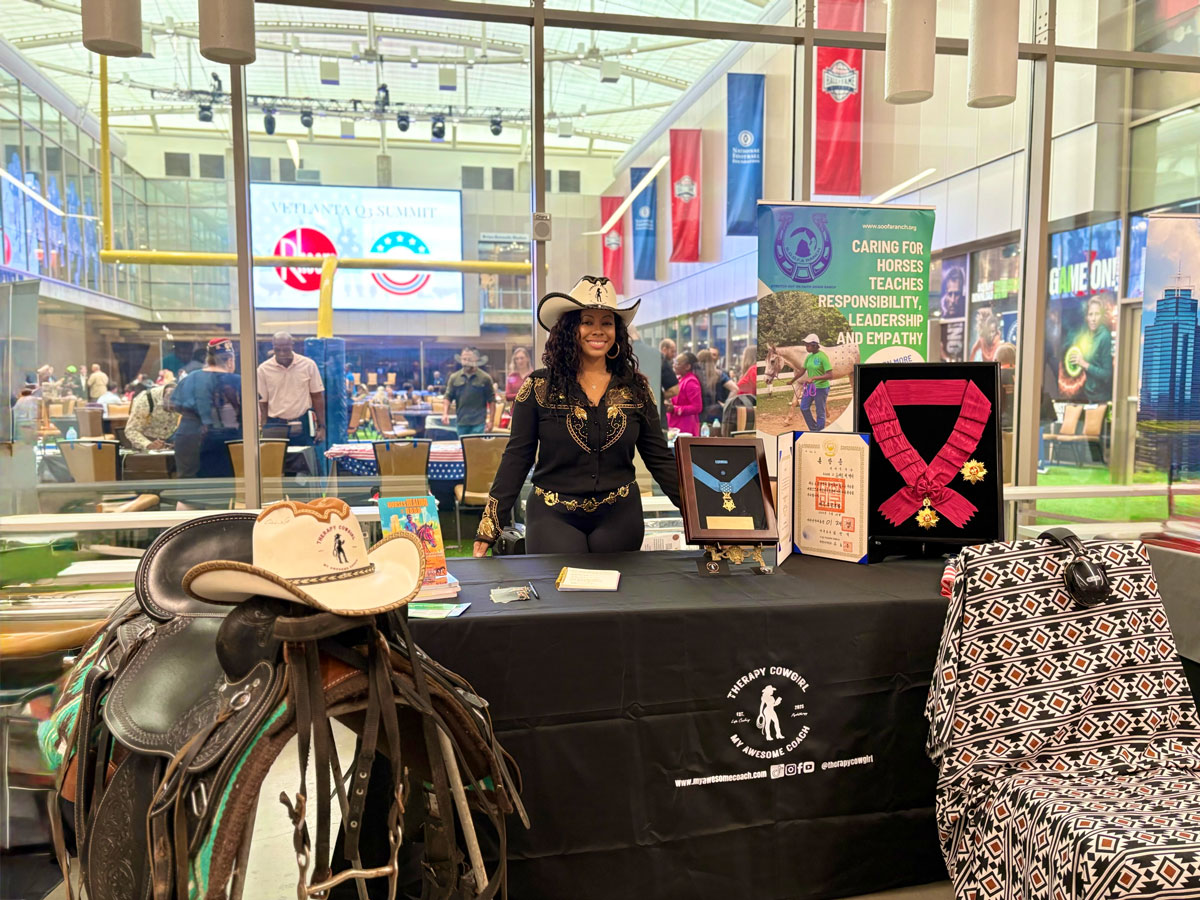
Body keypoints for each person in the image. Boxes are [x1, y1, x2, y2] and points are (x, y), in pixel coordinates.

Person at [472, 275, 680, 556]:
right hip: (552, 516)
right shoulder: (538, 387)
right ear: (570, 328)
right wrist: (490, 525)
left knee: (618, 585)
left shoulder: (636, 389)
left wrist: (701, 518)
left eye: (607, 323)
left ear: (617, 331)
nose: (598, 331)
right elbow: (517, 457)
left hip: (620, 516)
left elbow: (660, 459)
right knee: (565, 584)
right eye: (587, 322)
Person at [171, 337, 242, 479]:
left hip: (188, 435)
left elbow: (174, 405)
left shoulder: (189, 378)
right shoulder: (236, 381)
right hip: (225, 437)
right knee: (224, 483)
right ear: (230, 360)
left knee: (188, 483)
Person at [257, 332, 326, 449]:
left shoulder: (308, 365)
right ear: (273, 347)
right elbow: (263, 402)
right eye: (278, 350)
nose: (282, 353)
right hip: (275, 424)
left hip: (302, 422)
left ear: (292, 345)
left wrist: (322, 427)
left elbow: (317, 396)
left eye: (286, 349)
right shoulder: (263, 369)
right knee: (275, 460)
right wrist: (264, 427)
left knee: (304, 459)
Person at [1067, 297, 1113, 404]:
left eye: (1097, 314)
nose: (1093, 319)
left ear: (1102, 316)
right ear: (1086, 317)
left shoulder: (1105, 337)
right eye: (1090, 314)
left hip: (1102, 399)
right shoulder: (1086, 334)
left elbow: (1107, 374)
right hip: (1087, 395)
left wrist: (1084, 364)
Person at [443, 347, 495, 436]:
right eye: (464, 359)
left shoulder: (485, 378)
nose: (466, 362)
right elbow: (448, 397)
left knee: (475, 445)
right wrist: (445, 414)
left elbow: (492, 400)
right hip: (461, 422)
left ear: (476, 360)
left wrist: (491, 421)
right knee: (462, 445)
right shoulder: (454, 377)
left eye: (469, 359)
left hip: (479, 422)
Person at [125, 382, 179, 450]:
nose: (172, 411)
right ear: (163, 400)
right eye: (171, 408)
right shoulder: (145, 399)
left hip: (170, 441)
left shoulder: (184, 396)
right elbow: (131, 430)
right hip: (146, 443)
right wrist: (148, 444)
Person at [796, 333, 832, 432]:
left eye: (808, 345)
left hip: (821, 388)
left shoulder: (822, 356)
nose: (806, 347)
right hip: (811, 387)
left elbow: (830, 375)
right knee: (803, 407)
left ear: (815, 345)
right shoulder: (809, 357)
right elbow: (802, 370)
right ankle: (814, 429)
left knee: (820, 411)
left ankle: (819, 431)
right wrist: (792, 380)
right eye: (806, 345)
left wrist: (814, 378)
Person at [696, 348, 737, 424]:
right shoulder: (719, 374)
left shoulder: (694, 375)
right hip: (716, 411)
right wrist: (726, 404)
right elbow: (735, 389)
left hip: (699, 413)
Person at [667, 351, 703, 436]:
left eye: (677, 363)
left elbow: (697, 407)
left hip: (685, 428)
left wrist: (675, 409)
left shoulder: (691, 382)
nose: (673, 365)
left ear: (687, 366)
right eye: (674, 362)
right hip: (674, 425)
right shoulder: (679, 379)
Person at [658, 338, 680, 422]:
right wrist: (658, 396)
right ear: (664, 349)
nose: (674, 355)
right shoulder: (663, 363)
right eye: (672, 351)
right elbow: (674, 391)